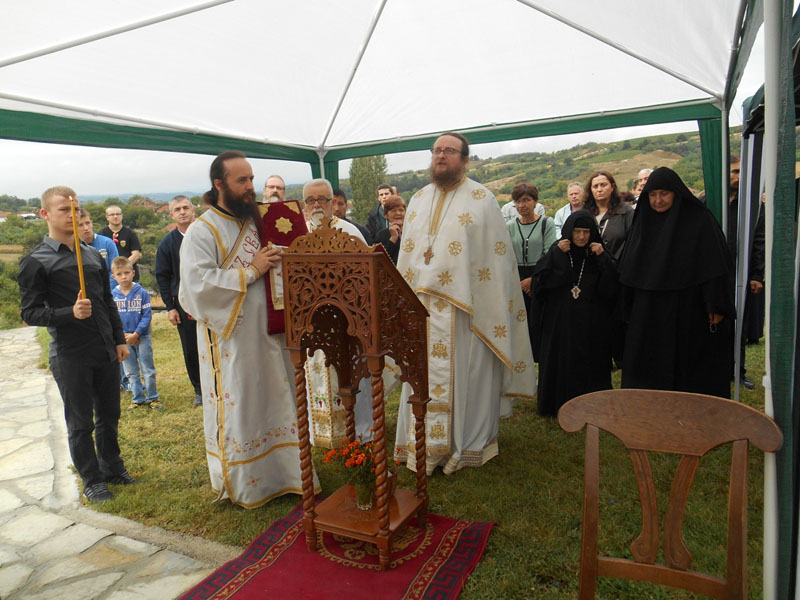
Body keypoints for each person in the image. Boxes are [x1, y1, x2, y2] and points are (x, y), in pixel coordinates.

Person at [394, 132, 535, 475]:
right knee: (422, 376)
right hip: (422, 309)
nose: (441, 156)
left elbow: (496, 260)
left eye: (449, 151)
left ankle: (465, 445)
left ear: (465, 158)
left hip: (465, 311)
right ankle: (421, 442)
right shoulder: (417, 199)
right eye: (437, 150)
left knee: (466, 375)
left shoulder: (481, 199)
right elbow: (408, 256)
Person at [179, 151, 315, 508]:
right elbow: (195, 288)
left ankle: (290, 473)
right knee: (246, 403)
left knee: (279, 397)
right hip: (233, 342)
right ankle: (249, 482)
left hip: (273, 334)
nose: (250, 187)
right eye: (242, 181)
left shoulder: (260, 222)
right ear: (219, 184)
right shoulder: (201, 231)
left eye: (252, 179)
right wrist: (252, 271)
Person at [18, 186, 134, 503]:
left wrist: (118, 339)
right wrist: (69, 312)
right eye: (63, 210)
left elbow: (107, 300)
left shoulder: (92, 254)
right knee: (80, 422)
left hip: (105, 349)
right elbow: (29, 313)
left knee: (109, 415)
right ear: (45, 214)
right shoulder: (36, 261)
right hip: (70, 354)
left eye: (75, 209)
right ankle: (92, 479)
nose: (72, 215)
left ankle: (113, 467)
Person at [618, 167, 734, 398]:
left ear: (676, 193)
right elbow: (629, 267)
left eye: (664, 193)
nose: (658, 200)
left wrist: (715, 304)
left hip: (690, 309)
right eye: (652, 195)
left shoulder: (700, 220)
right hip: (649, 310)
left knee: (689, 366)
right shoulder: (643, 221)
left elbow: (714, 267)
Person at [302, 178, 379, 447]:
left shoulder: (350, 233)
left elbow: (365, 278)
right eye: (311, 200)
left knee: (353, 374)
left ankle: (361, 431)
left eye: (322, 199)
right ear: (304, 204)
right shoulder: (298, 235)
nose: (317, 205)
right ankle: (321, 434)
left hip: (348, 320)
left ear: (333, 202)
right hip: (312, 321)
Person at [532, 210, 618, 417]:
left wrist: (602, 257)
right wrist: (556, 255)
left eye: (586, 232)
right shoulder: (557, 251)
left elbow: (612, 287)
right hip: (560, 322)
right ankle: (558, 404)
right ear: (569, 231)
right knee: (561, 360)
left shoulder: (599, 254)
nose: (581, 237)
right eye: (577, 231)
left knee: (591, 361)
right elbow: (540, 285)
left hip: (592, 323)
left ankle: (593, 406)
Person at [155, 195, 202, 407]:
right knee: (191, 348)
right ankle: (199, 389)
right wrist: (170, 307)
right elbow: (162, 276)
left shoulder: (205, 236)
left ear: (193, 211)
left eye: (186, 208)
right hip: (183, 303)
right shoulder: (167, 243)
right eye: (177, 209)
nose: (182, 212)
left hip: (208, 299)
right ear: (171, 215)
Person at [506, 181, 556, 360]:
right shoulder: (510, 226)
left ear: (535, 201)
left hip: (541, 277)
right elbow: (506, 254)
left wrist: (533, 280)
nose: (521, 205)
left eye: (526, 200)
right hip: (516, 279)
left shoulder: (546, 223)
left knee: (539, 323)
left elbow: (549, 253)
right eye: (518, 202)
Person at [726, 156, 764, 389]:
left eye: (741, 172)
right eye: (734, 172)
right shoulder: (708, 200)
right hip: (714, 273)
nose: (738, 177)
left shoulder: (751, 206)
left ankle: (738, 372)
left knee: (738, 325)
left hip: (741, 274)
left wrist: (757, 274)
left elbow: (759, 240)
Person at [111, 257, 160, 410]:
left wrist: (136, 334)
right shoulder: (113, 295)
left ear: (133, 273)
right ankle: (137, 398)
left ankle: (153, 397)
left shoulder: (142, 293)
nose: (124, 276)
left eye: (127, 272)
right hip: (124, 339)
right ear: (114, 276)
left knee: (148, 369)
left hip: (142, 337)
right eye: (119, 274)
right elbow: (113, 318)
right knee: (130, 371)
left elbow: (146, 315)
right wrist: (124, 335)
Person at [583, 171, 634, 261]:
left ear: (612, 187)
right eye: (595, 186)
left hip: (619, 267)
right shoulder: (583, 213)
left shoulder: (626, 212)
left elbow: (633, 242)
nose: (599, 189)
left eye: (603, 185)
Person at [99, 204, 142, 281]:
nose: (115, 216)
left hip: (129, 278)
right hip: (108, 278)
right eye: (112, 214)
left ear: (122, 215)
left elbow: (136, 254)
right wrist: (114, 270)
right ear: (107, 217)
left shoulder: (131, 233)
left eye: (118, 214)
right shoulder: (101, 234)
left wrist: (122, 269)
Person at [76, 207, 118, 287]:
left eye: (87, 223)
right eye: (80, 225)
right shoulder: (73, 247)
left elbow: (116, 272)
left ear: (92, 223)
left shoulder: (107, 243)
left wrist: (106, 293)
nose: (86, 228)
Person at [373, 194, 406, 263]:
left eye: (401, 210)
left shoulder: (412, 232)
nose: (398, 213)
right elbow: (379, 260)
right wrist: (393, 238)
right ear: (386, 215)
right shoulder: (381, 235)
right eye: (394, 210)